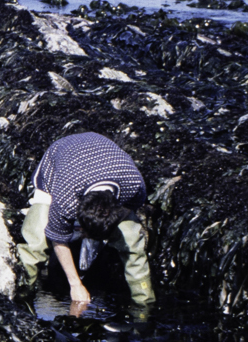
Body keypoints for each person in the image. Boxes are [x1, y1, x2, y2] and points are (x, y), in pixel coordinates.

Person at [17, 132, 154, 318]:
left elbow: (131, 208)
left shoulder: (134, 185)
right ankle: (21, 297)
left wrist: (113, 232)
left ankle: (144, 306)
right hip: (59, 160)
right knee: (35, 240)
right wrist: (76, 285)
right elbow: (57, 237)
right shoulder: (65, 197)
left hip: (109, 164)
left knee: (131, 239)